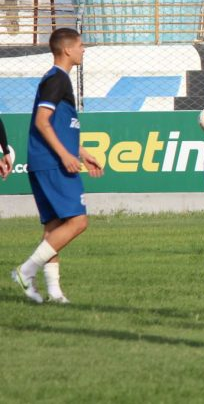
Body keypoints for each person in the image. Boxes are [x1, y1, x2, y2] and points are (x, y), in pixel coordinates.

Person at [11, 28, 104, 304]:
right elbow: (42, 121)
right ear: (67, 49)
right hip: (52, 162)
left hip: (46, 160)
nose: (83, 50)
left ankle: (54, 292)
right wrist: (65, 155)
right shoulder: (56, 79)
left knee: (54, 227)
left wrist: (81, 151)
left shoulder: (58, 79)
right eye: (80, 45)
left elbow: (59, 125)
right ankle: (25, 271)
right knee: (78, 221)